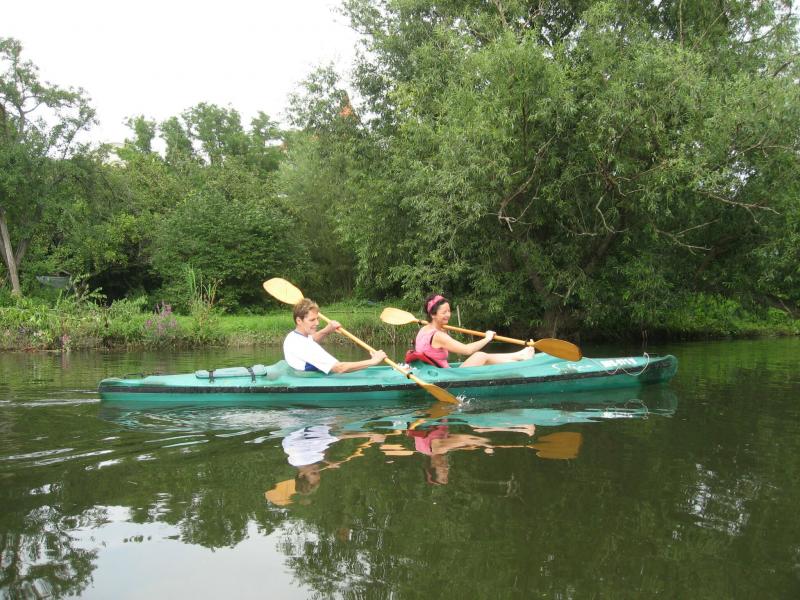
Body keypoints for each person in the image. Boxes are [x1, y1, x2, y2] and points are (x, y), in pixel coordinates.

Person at [413, 293, 535, 368]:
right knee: (480, 355)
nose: (448, 315)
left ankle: (519, 355)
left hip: (435, 372)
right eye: (444, 312)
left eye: (449, 311)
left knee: (483, 358)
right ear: (433, 315)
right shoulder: (438, 335)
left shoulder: (423, 330)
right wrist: (487, 338)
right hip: (445, 375)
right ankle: (520, 358)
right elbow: (467, 350)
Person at [283, 298, 387, 373]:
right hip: (311, 381)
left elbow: (312, 339)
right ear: (299, 320)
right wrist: (373, 361)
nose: (317, 323)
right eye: (312, 320)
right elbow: (340, 368)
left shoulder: (292, 336)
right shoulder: (306, 347)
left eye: (317, 318)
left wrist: (328, 329)